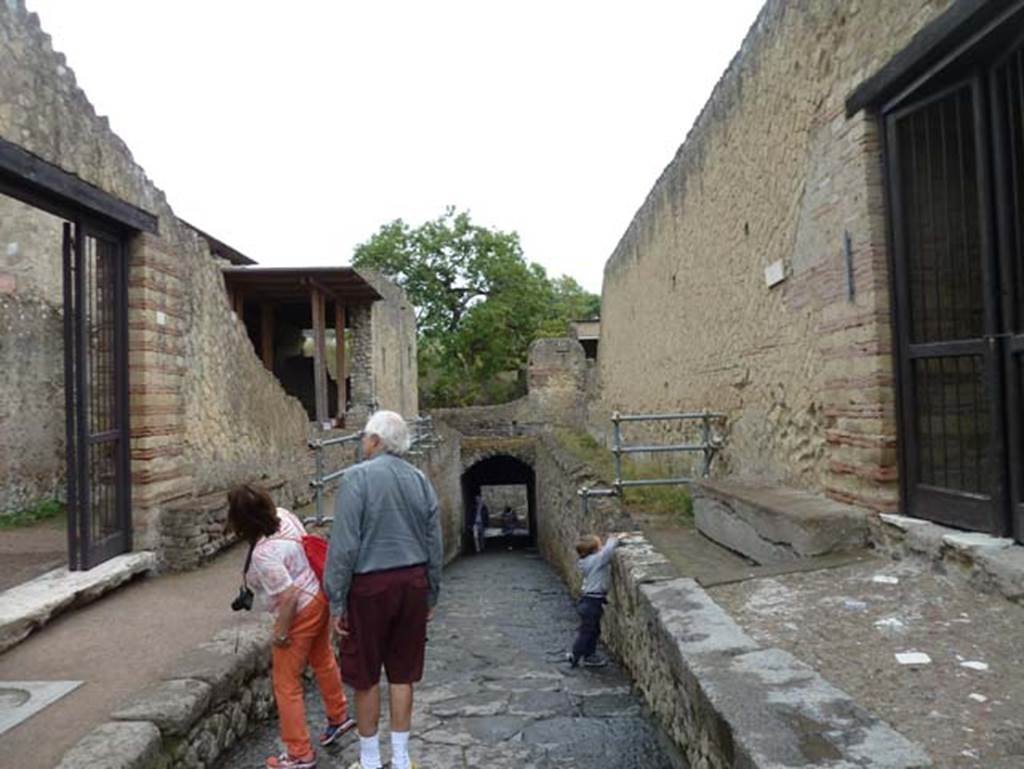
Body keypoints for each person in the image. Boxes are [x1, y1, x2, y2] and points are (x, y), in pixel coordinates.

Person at [325, 410, 443, 769]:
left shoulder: (356, 478)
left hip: (369, 587)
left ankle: (371, 761)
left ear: (376, 441)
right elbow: (433, 540)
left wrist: (335, 599)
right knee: (403, 673)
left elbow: (344, 545)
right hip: (412, 583)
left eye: (364, 437)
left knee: (365, 675)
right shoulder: (420, 480)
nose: (362, 443)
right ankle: (403, 759)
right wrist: (431, 593)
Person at [227, 484, 355, 769]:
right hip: (319, 594)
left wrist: (281, 633)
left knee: (286, 684)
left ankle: (299, 753)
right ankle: (339, 715)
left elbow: (289, 596)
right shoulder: (284, 515)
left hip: (301, 610)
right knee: (322, 658)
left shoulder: (263, 553)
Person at [566, 532, 622, 669]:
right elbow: (607, 552)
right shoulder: (596, 560)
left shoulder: (587, 561)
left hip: (589, 601)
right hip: (592, 603)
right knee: (587, 631)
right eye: (600, 545)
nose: (602, 547)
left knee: (593, 630)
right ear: (595, 550)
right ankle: (576, 654)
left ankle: (589, 656)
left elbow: (603, 552)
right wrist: (614, 539)